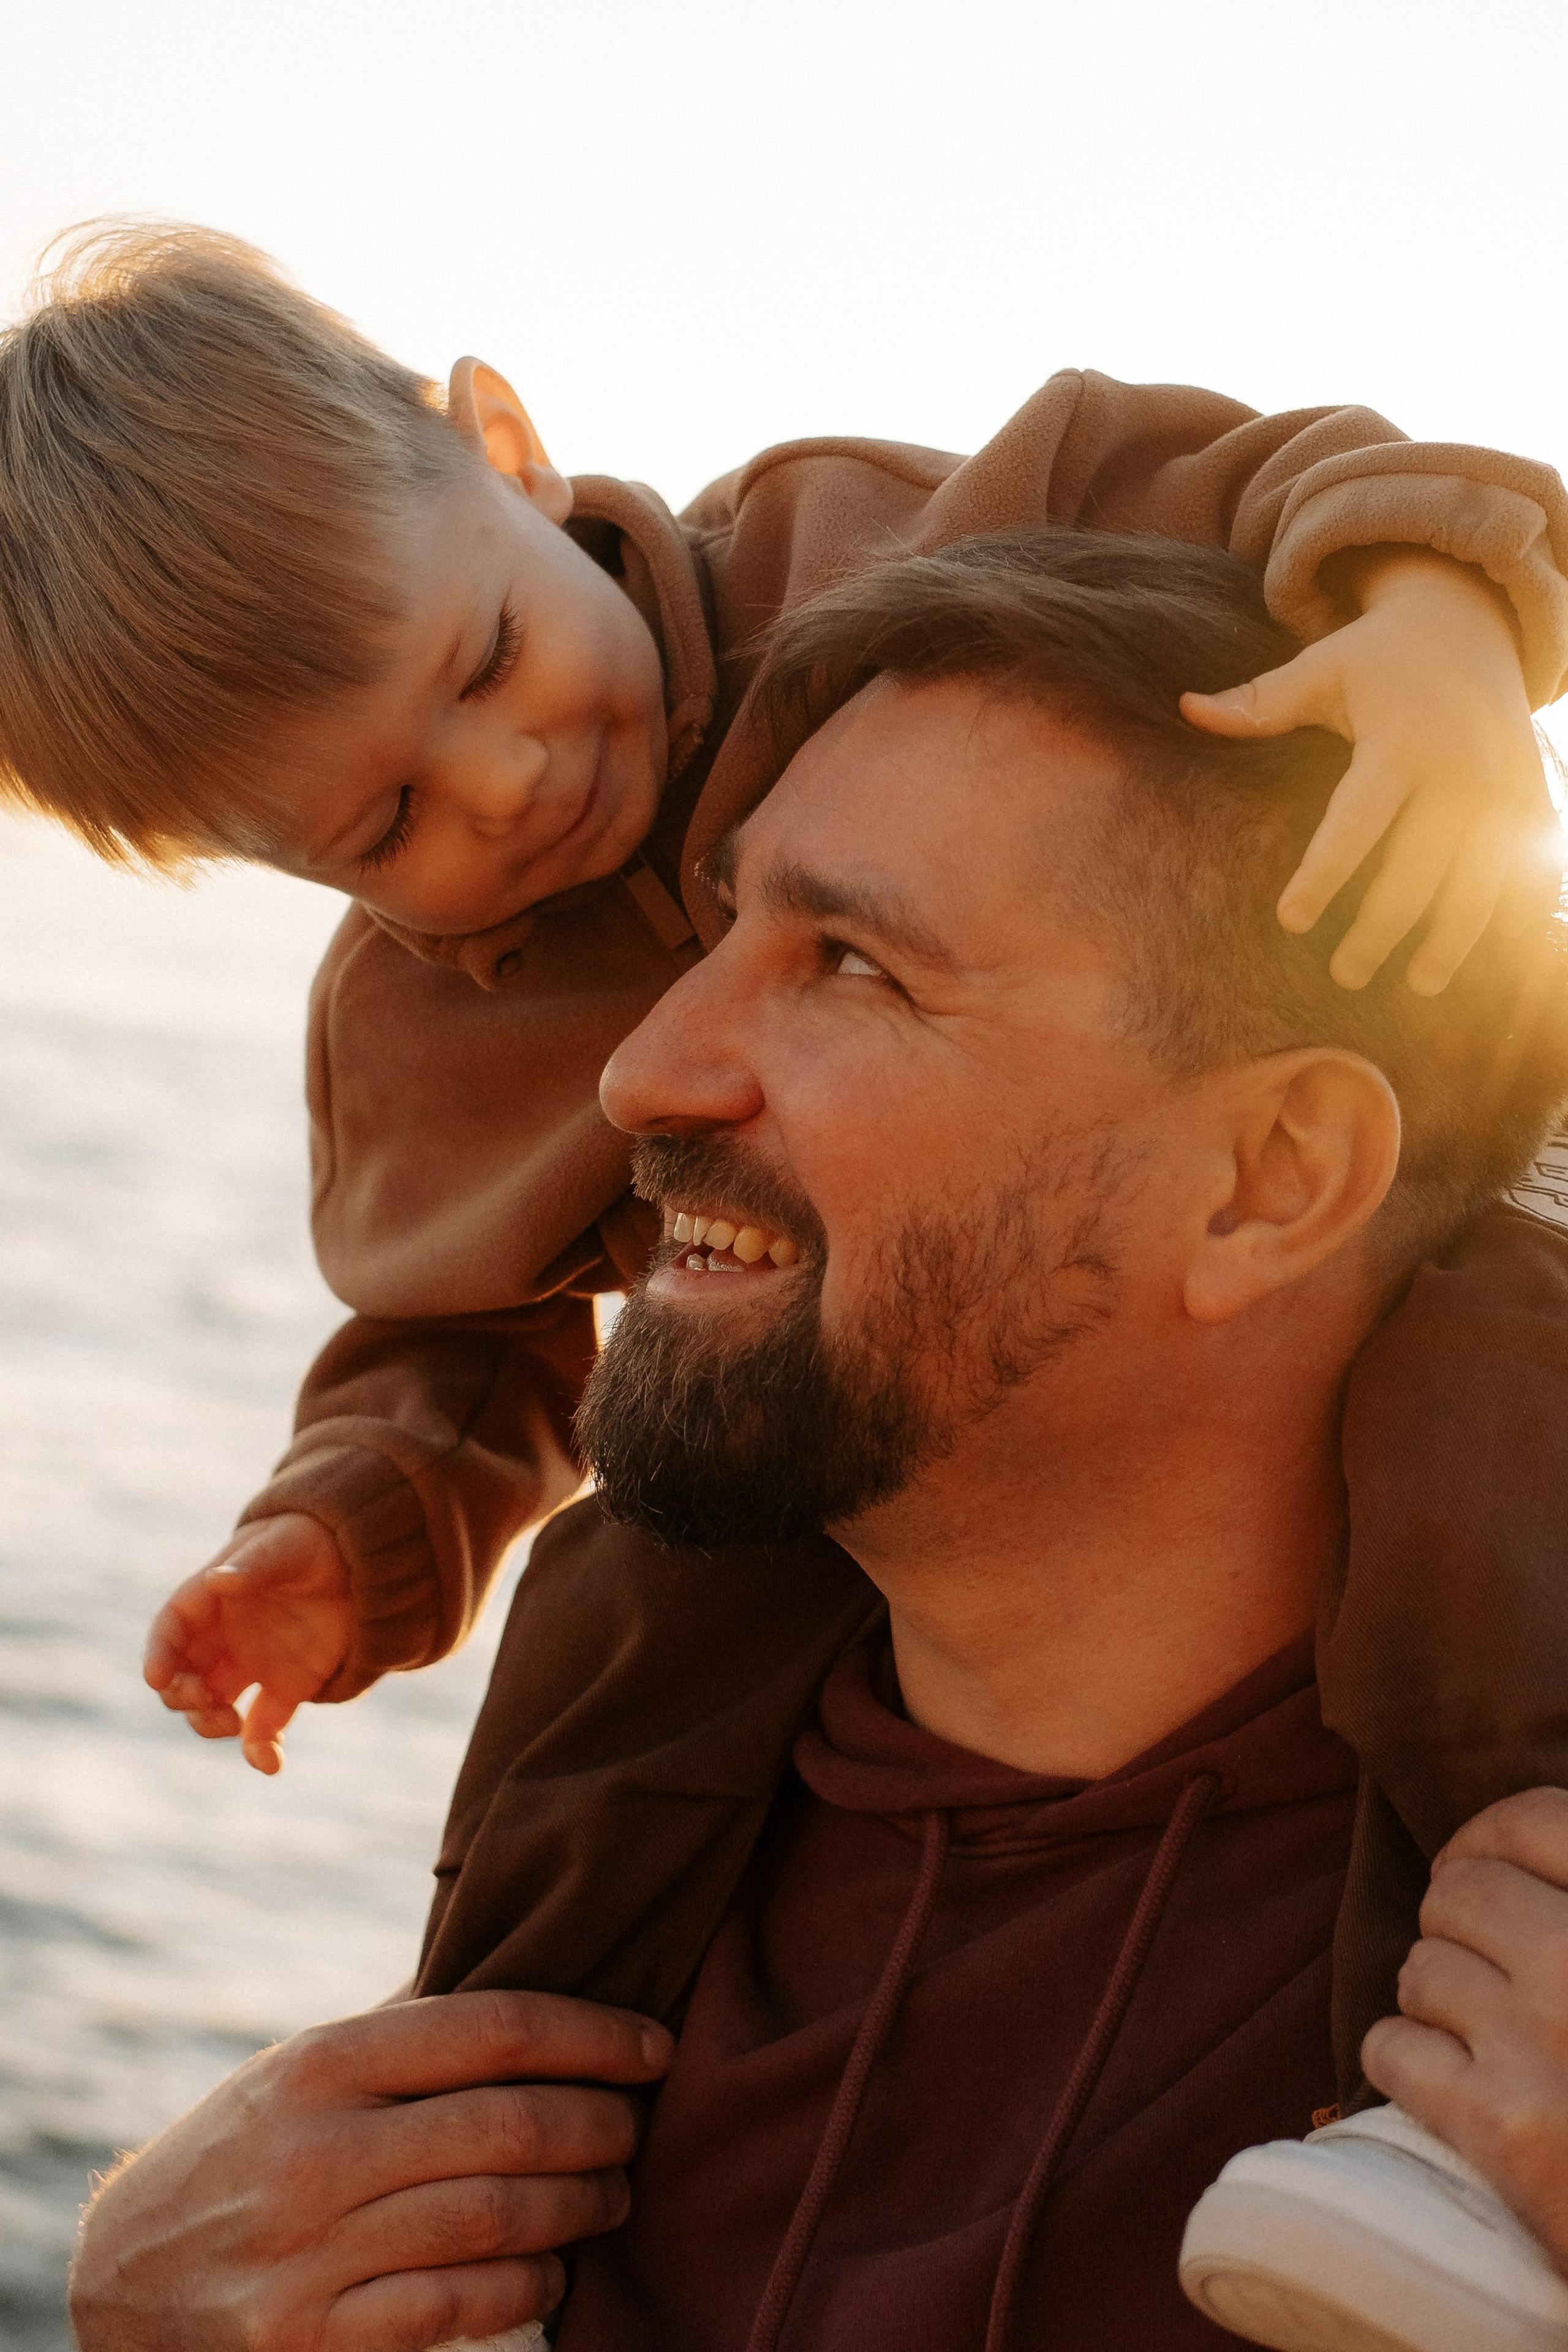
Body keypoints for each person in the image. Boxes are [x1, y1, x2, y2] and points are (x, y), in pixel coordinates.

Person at [67, 527, 1568, 2352]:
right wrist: (142, 2319)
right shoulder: (614, 1841)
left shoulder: (1504, 2063)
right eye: (719, 933)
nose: (638, 1072)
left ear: (1268, 1182)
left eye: (852, 965)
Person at [0, 225, 1561, 1853]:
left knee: (1478, 1505)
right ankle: (527, 2042)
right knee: (608, 1645)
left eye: (490, 661)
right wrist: (346, 1532)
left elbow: (1288, 472)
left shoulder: (899, 540)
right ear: (258, 858)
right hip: (903, 1410)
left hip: (1424, 1141)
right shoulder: (409, 1044)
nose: (506, 782)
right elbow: (460, 1346)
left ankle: (1484, 1979)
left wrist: (1439, 623)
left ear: (508, 455)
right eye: (389, 819)